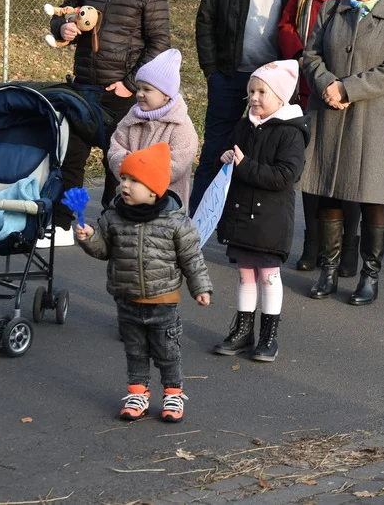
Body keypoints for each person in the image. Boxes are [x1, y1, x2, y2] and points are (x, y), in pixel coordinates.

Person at [278, 0, 384, 276]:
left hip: (356, 101)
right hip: (310, 87)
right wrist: (312, 71)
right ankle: (315, 249)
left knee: (354, 181)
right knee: (317, 175)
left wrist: (344, 87)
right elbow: (289, 26)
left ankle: (350, 254)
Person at [300, 0, 384, 305]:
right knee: (329, 191)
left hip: (372, 121)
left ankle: (370, 276)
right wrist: (326, 85)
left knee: (370, 197)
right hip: (328, 113)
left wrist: (348, 88)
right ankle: (329, 271)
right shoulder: (333, 9)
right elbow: (310, 54)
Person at [50, 0, 171, 245]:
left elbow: (159, 44)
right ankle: (62, 225)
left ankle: (110, 225)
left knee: (116, 162)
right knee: (70, 159)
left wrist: (130, 85)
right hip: (82, 87)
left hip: (119, 94)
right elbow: (61, 14)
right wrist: (63, 28)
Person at [74, 142, 212, 423]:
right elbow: (105, 251)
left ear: (153, 189)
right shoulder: (113, 216)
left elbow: (191, 258)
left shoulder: (175, 221)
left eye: (134, 180)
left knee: (167, 352)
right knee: (135, 351)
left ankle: (173, 394)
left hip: (163, 301)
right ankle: (138, 393)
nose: (124, 184)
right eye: (124, 178)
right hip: (126, 299)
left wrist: (200, 287)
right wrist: (89, 238)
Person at [190, 0, 304, 216]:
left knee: (264, 155)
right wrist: (212, 70)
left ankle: (247, 226)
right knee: (215, 150)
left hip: (274, 81)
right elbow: (206, 17)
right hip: (229, 75)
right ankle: (195, 225)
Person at [212, 61, 309, 362]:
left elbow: (285, 176)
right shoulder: (244, 126)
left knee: (268, 276)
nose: (253, 97)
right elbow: (233, 157)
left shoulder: (291, 133)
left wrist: (245, 166)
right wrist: (227, 157)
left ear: (280, 97)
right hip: (242, 213)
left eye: (261, 92)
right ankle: (243, 331)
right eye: (251, 91)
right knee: (244, 275)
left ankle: (269, 335)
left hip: (270, 219)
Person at [107, 48, 198, 205]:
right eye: (139, 88)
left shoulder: (180, 125)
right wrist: (125, 166)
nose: (140, 94)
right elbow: (116, 148)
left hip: (167, 203)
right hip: (128, 198)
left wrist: (141, 173)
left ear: (166, 94)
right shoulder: (131, 119)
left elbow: (178, 162)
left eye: (147, 89)